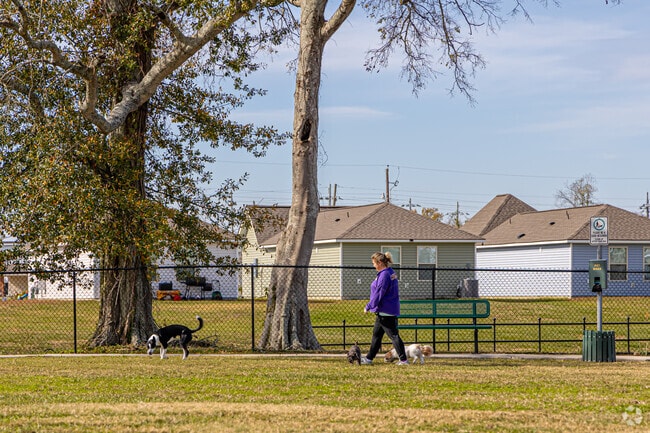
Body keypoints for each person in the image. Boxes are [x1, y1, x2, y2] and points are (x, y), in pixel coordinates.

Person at [361, 251, 409, 365]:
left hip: (385, 310)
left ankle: (403, 360)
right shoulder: (390, 272)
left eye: (374, 263)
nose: (373, 266)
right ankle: (369, 358)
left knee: (394, 336)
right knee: (376, 336)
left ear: (380, 262)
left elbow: (379, 293)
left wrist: (369, 306)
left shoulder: (384, 275)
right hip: (386, 310)